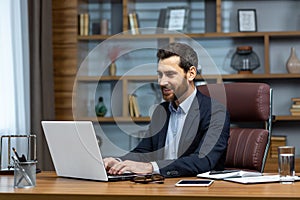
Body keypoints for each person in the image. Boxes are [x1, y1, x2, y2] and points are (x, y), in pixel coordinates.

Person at [104, 42, 230, 178]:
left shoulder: (216, 112)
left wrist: (151, 167)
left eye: (170, 74)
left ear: (191, 74)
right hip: (161, 187)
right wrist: (118, 162)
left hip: (198, 191)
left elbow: (203, 160)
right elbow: (143, 151)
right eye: (160, 75)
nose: (161, 82)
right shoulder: (161, 111)